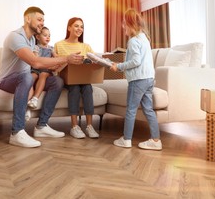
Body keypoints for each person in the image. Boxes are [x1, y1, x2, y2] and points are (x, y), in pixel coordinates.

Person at [0, 6, 84, 148]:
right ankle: (16, 132)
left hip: (25, 78)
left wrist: (60, 64)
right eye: (39, 19)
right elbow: (35, 62)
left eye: (43, 20)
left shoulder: (32, 40)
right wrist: (66, 59)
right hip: (8, 80)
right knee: (26, 77)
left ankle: (42, 126)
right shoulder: (15, 37)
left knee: (57, 81)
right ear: (27, 19)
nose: (42, 23)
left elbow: (40, 64)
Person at [109, 8, 162, 150]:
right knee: (148, 110)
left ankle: (126, 140)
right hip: (149, 79)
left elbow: (136, 61)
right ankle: (156, 140)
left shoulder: (133, 41)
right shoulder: (144, 38)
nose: (123, 27)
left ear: (131, 24)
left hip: (138, 80)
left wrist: (119, 66)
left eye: (125, 24)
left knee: (131, 110)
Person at [54, 17, 100, 139]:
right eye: (76, 26)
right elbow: (55, 66)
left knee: (87, 87)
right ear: (69, 27)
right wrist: (68, 59)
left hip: (83, 78)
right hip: (67, 79)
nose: (79, 29)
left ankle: (89, 126)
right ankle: (74, 126)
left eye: (81, 26)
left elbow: (95, 61)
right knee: (74, 87)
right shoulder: (59, 45)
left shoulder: (86, 46)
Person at [27, 27, 56, 110]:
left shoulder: (51, 48)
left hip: (46, 69)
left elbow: (57, 57)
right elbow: (35, 59)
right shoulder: (36, 47)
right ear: (38, 37)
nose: (48, 37)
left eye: (49, 36)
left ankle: (35, 98)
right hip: (36, 69)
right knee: (31, 77)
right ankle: (27, 105)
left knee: (43, 75)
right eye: (45, 35)